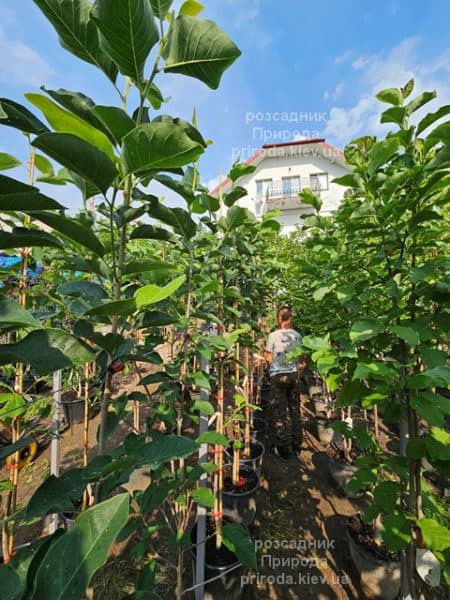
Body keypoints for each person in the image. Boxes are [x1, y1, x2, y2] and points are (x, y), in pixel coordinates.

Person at [265, 304, 303, 460]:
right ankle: (297, 444)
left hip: (278, 377)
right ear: (290, 317)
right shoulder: (297, 336)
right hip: (293, 376)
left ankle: (283, 448)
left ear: (279, 318)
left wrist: (272, 366)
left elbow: (268, 358)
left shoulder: (273, 336)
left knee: (280, 413)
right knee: (294, 409)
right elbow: (302, 359)